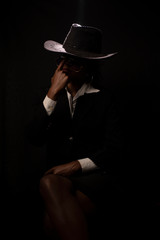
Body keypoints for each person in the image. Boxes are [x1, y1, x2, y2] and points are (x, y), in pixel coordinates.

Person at [26, 23, 125, 240]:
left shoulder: (106, 99)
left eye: (74, 64)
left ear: (89, 68)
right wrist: (52, 94)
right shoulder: (49, 97)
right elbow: (33, 137)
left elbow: (115, 150)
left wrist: (75, 166)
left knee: (51, 223)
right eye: (61, 61)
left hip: (96, 180)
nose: (64, 68)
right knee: (50, 185)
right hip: (58, 182)